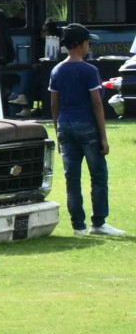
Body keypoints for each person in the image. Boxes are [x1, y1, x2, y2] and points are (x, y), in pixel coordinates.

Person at [48, 24, 120, 237]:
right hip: (86, 125)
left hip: (64, 125)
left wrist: (58, 133)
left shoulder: (56, 70)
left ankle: (78, 226)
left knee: (72, 179)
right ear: (81, 45)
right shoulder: (89, 70)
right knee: (98, 175)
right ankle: (99, 222)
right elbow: (96, 103)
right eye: (88, 42)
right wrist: (103, 137)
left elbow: (54, 104)